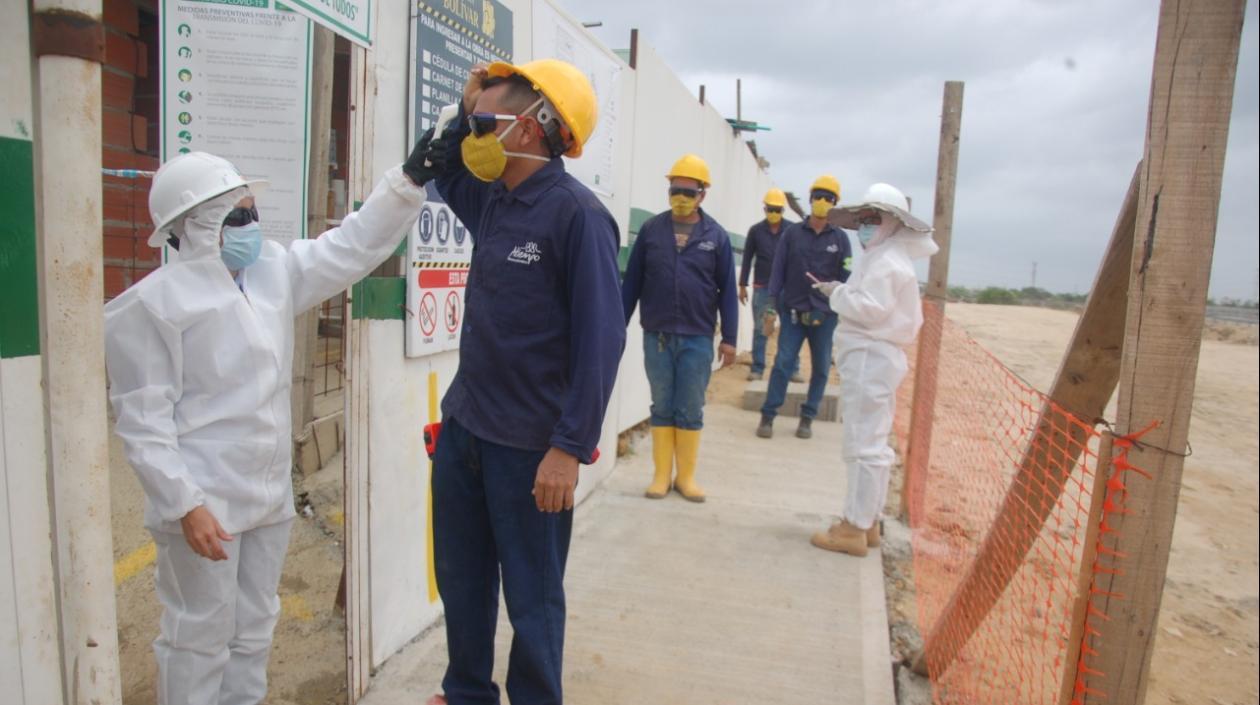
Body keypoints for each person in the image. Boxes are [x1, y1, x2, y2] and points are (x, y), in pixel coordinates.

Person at [104, 136, 445, 704]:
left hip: (265, 497)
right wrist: (184, 504)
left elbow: (352, 246)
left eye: (250, 210)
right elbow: (143, 423)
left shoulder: (271, 274)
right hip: (203, 502)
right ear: (193, 225)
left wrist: (407, 180)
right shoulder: (152, 307)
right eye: (236, 214)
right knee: (198, 635)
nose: (250, 223)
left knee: (255, 626)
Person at [427, 59, 625, 705]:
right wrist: (466, 109)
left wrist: (569, 447)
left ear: (535, 127)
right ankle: (466, 694)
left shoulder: (578, 216)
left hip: (531, 450)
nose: (475, 135)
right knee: (463, 580)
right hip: (466, 430)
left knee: (533, 598)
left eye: (486, 123)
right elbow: (447, 165)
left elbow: (603, 338)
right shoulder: (491, 199)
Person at [808, 183, 937, 556]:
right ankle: (868, 522)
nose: (865, 225)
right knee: (874, 444)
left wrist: (836, 293)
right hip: (875, 356)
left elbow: (869, 309)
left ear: (893, 223)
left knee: (862, 444)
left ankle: (853, 527)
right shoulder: (886, 256)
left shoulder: (886, 262)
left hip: (870, 354)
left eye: (873, 219)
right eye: (862, 219)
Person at [622, 154, 738, 503]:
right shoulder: (651, 231)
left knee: (689, 406)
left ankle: (685, 477)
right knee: (661, 404)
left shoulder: (715, 237)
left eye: (688, 191)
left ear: (702, 194)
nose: (680, 197)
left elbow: (728, 291)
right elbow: (633, 282)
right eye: (675, 190)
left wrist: (730, 339)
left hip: (698, 337)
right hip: (656, 334)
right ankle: (661, 475)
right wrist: (616, 325)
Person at [756, 175, 851, 440]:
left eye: (828, 198)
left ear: (835, 204)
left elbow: (846, 274)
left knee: (821, 368)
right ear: (810, 200)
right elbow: (778, 270)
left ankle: (808, 417)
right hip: (794, 313)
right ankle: (768, 415)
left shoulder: (841, 240)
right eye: (818, 197)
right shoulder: (792, 235)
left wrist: (841, 299)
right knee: (783, 363)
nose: (822, 202)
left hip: (826, 315)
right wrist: (772, 303)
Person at [739, 188, 801, 382]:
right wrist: (742, 285)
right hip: (762, 287)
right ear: (764, 208)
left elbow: (798, 259)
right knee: (760, 328)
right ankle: (757, 368)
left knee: (791, 329)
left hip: (786, 288)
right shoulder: (756, 231)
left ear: (783, 210)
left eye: (777, 209)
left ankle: (793, 369)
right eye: (770, 209)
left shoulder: (792, 231)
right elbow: (747, 258)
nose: (773, 213)